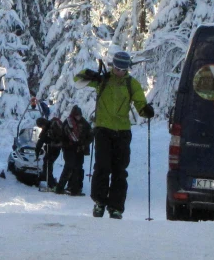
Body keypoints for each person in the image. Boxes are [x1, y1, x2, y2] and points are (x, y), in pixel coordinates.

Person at [74, 50, 154, 219]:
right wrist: (90, 74)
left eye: (123, 69)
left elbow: (140, 102)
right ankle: (100, 202)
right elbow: (77, 80)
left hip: (123, 132)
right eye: (117, 68)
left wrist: (145, 110)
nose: (120, 72)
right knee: (102, 167)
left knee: (120, 171)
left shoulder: (131, 84)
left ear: (127, 69)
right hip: (103, 129)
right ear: (112, 66)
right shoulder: (103, 80)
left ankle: (116, 207)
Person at [55, 105, 92, 196]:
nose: (78, 117)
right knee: (69, 166)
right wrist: (65, 144)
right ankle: (60, 188)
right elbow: (62, 135)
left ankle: (75, 188)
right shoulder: (68, 122)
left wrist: (85, 143)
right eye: (76, 115)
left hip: (80, 149)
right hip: (69, 148)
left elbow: (90, 135)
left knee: (78, 168)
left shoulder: (84, 123)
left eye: (79, 115)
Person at [34, 112, 64, 190]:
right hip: (55, 148)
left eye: (41, 126)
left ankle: (51, 183)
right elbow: (41, 139)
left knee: (48, 163)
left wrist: (37, 152)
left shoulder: (51, 127)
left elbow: (42, 140)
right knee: (47, 162)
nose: (41, 127)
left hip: (55, 148)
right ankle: (48, 179)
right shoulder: (49, 125)